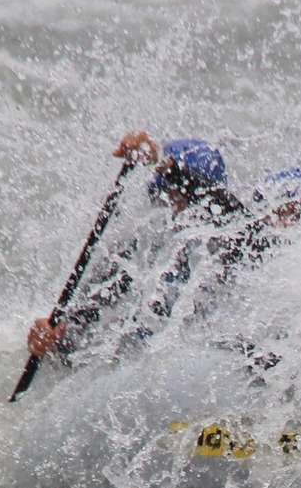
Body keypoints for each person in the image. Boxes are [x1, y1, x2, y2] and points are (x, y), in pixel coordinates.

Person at [25, 131, 251, 361]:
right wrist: (55, 338)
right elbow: (83, 321)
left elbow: (226, 206)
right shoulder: (140, 251)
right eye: (167, 200)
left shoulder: (234, 240)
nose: (175, 212)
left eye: (182, 201)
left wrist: (163, 163)